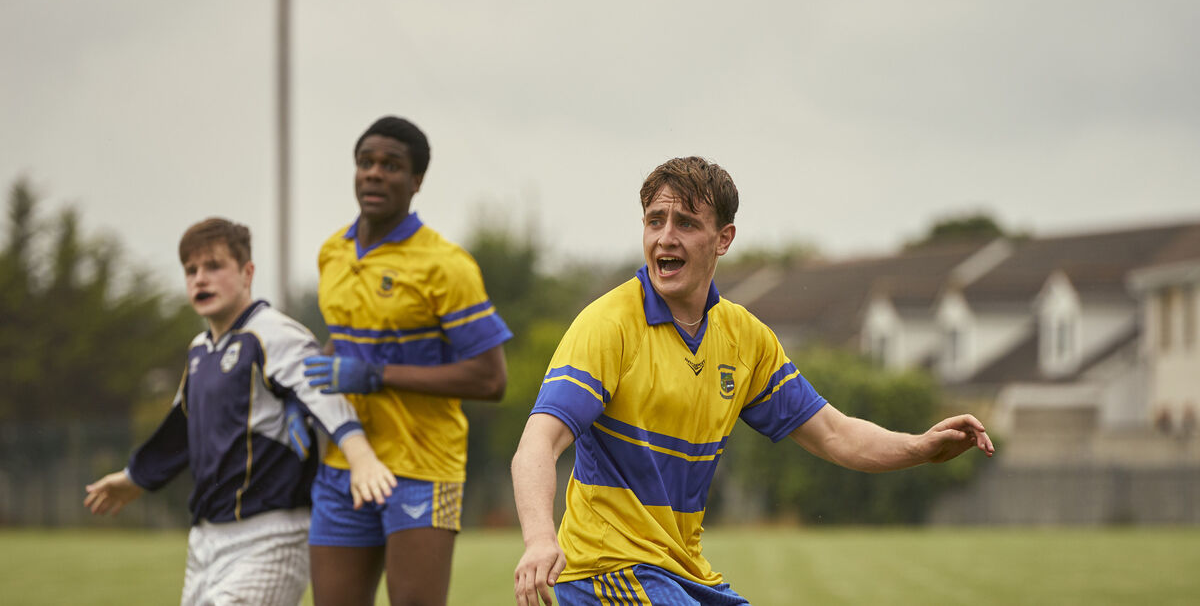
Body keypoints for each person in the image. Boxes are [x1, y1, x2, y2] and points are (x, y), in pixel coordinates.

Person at [511, 157, 996, 606]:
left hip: (682, 571)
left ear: (723, 239)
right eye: (655, 221)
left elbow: (833, 433)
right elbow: (538, 443)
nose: (665, 238)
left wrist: (919, 447)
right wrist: (539, 539)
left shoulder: (744, 339)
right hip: (604, 570)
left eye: (686, 223)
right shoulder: (608, 325)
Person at [84, 218, 395, 606]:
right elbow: (182, 427)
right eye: (191, 270)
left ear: (248, 273)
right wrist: (136, 477)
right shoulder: (200, 349)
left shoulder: (276, 334)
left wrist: (360, 455)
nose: (200, 278)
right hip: (206, 540)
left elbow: (322, 396)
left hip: (271, 535)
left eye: (214, 266)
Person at [303, 115, 513, 606]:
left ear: (416, 181)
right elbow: (346, 340)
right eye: (366, 162)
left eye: (391, 165)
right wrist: (305, 393)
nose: (375, 173)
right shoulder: (332, 253)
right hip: (344, 462)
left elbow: (491, 379)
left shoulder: (446, 265)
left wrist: (376, 376)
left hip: (423, 464)